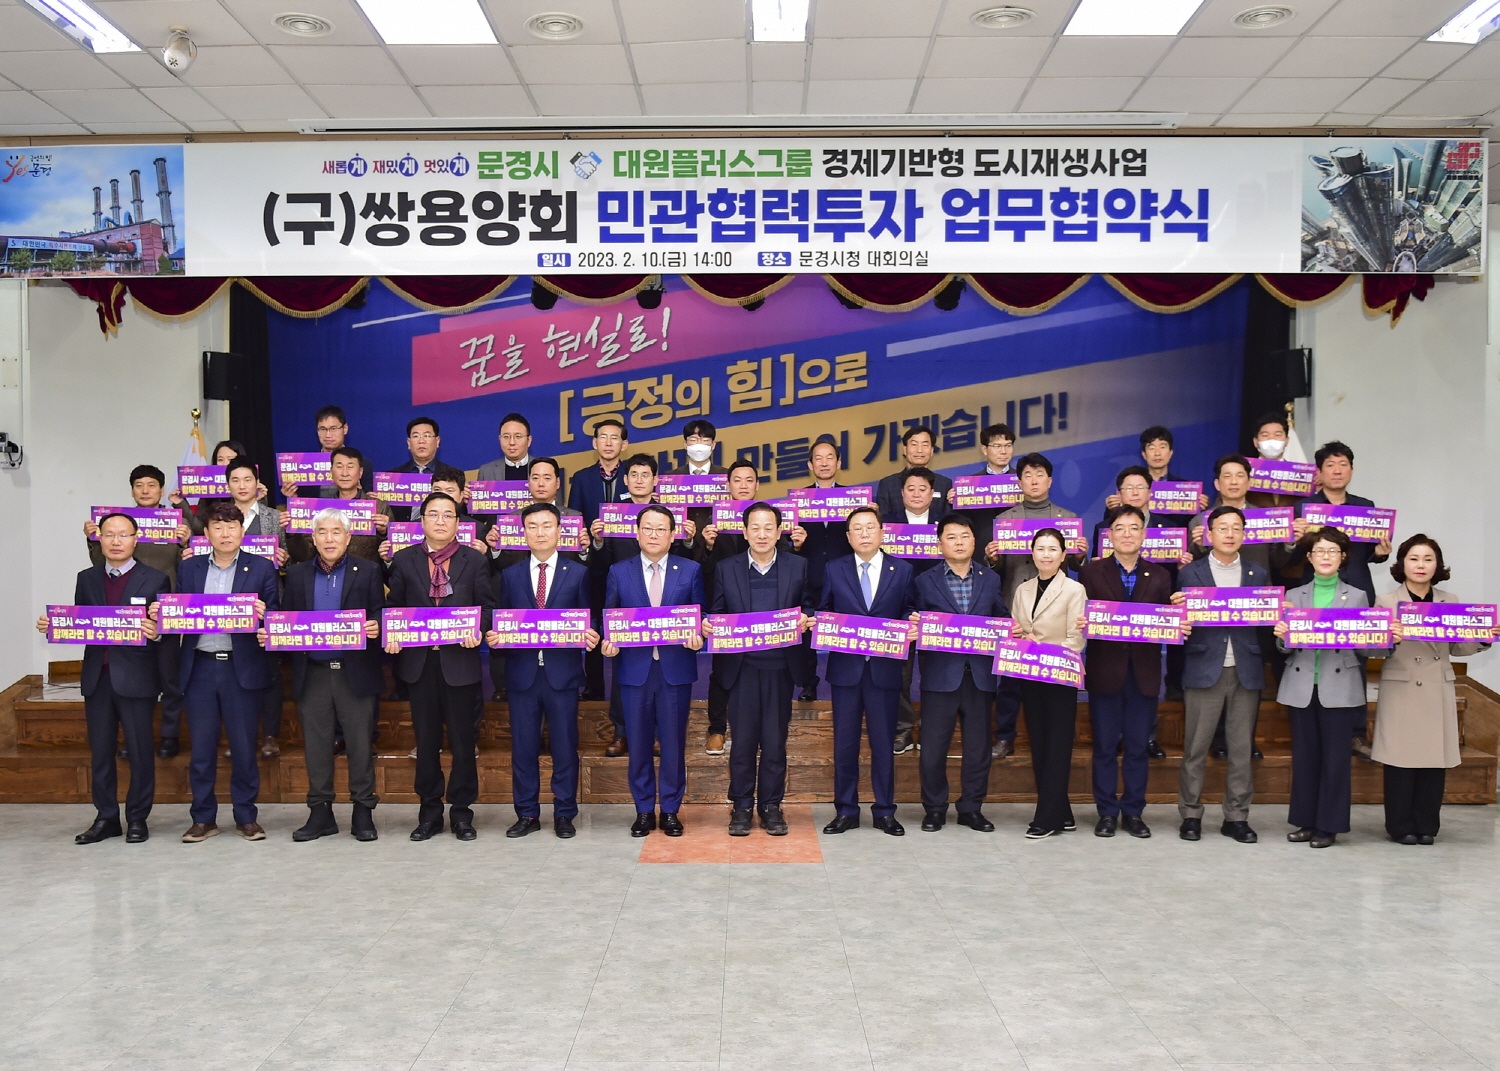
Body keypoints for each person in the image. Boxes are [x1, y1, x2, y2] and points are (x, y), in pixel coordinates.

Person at [40, 513, 169, 844]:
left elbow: (165, 632)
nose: (116, 541)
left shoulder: (156, 579)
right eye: (109, 534)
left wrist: (156, 632)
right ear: (99, 538)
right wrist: (55, 625)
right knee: (100, 753)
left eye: (123, 535)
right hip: (98, 678)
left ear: (135, 539)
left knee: (140, 752)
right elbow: (83, 623)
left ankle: (137, 818)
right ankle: (106, 817)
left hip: (136, 678)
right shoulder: (86, 578)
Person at [164, 500, 280, 843]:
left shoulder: (261, 568)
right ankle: (203, 818)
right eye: (218, 527)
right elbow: (177, 614)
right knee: (201, 749)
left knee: (244, 747)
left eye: (232, 527)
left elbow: (277, 616)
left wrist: (265, 614)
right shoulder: (190, 568)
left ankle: (246, 816)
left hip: (240, 668)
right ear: (207, 532)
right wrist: (163, 612)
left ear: (242, 531)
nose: (225, 533)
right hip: (199, 666)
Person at [385, 490, 497, 842]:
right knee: (426, 740)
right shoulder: (404, 560)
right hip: (419, 665)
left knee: (463, 742)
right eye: (433, 514)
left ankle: (462, 814)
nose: (440, 521)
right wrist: (392, 634)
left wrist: (477, 630)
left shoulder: (474, 560)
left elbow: (488, 607)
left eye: (448, 515)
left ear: (458, 523)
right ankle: (429, 813)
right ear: (422, 521)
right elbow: (394, 609)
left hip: (459, 663)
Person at [1373, 534, 1497, 845]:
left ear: (1437, 565)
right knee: (1400, 759)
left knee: (1433, 759)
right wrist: (1388, 639)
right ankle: (1400, 826)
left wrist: (1483, 638)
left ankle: (1427, 825)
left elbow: (1456, 645)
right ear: (1402, 563)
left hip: (1436, 684)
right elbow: (1372, 647)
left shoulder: (1449, 600)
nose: (1421, 565)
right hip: (1401, 686)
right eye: (1414, 558)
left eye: (1428, 559)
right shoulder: (1385, 601)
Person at [488, 501, 599, 840]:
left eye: (546, 525)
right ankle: (527, 813)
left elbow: (588, 617)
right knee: (523, 748)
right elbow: (502, 619)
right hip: (522, 675)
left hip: (562, 674)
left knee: (565, 746)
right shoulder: (510, 575)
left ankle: (564, 812)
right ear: (523, 532)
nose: (540, 532)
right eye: (532, 526)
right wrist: (496, 635)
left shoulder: (577, 573)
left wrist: (591, 632)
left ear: (559, 531)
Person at [273, 507, 384, 843]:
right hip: (314, 672)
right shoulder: (297, 574)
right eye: (322, 532)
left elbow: (380, 611)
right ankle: (320, 812)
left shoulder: (368, 570)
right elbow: (288, 619)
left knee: (360, 745)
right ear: (313, 539)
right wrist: (273, 631)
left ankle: (363, 811)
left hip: (355, 672)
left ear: (348, 538)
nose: (329, 538)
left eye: (336, 532)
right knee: (317, 745)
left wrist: (377, 625)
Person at [707, 501, 814, 837]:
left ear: (780, 531)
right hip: (741, 668)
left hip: (780, 667)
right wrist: (709, 624)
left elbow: (811, 605)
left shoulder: (799, 566)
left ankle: (771, 805)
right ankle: (741, 805)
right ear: (744, 532)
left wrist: (806, 618)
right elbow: (717, 612)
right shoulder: (726, 568)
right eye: (755, 527)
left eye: (769, 527)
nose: (762, 534)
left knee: (774, 741)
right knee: (742, 742)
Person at [602, 505, 706, 837]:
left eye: (661, 529)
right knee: (638, 742)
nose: (653, 535)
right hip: (635, 671)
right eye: (647, 528)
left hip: (675, 670)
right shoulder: (619, 571)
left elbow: (700, 617)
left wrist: (698, 636)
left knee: (673, 743)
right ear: (637, 533)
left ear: (673, 535)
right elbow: (610, 618)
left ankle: (671, 809)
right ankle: (644, 809)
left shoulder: (690, 570)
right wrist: (608, 641)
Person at [1171, 506, 1270, 845]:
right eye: (1222, 527)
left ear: (1244, 535)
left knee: (1241, 749)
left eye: (1236, 528)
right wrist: (1177, 612)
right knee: (1195, 748)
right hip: (1204, 667)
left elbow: (1265, 624)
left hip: (1245, 669)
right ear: (1209, 534)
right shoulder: (1190, 573)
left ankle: (1237, 816)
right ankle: (1191, 813)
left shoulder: (1258, 574)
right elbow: (1181, 623)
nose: (1229, 533)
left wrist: (1279, 612)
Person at [1078, 505, 1176, 839]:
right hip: (1105, 670)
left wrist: (1179, 619)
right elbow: (1084, 615)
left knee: (1137, 747)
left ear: (1143, 534)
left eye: (1134, 528)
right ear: (1110, 535)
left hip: (1144, 673)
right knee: (1105, 747)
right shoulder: (1092, 573)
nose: (1127, 534)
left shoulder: (1160, 576)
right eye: (1120, 528)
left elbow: (1166, 621)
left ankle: (1133, 812)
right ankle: (1106, 812)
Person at [1291, 441, 1392, 761]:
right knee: (1310, 657)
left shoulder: (1366, 507)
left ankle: (1356, 732)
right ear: (1319, 472)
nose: (1337, 471)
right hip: (1315, 592)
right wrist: (1294, 538)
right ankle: (1312, 723)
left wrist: (1381, 553)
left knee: (1356, 660)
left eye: (1343, 464)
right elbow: (1292, 557)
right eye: (1330, 465)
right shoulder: (1304, 508)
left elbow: (1368, 554)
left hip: (1356, 591)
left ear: (1351, 469)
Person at [84, 463, 190, 759]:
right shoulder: (120, 525)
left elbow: (186, 569)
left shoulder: (176, 523)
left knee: (169, 677)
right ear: (131, 491)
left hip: (163, 610)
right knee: (127, 678)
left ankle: (169, 735)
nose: (145, 490)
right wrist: (92, 538)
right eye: (139, 485)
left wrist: (186, 543)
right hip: (125, 615)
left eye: (151, 485)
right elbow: (101, 565)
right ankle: (130, 737)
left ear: (161, 490)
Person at [907, 513, 1004, 833]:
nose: (959, 542)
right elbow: (911, 615)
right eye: (951, 537)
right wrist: (912, 623)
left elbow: (1000, 616)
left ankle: (971, 808)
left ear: (974, 541)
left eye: (965, 536)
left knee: (978, 749)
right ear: (940, 544)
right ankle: (935, 808)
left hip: (980, 675)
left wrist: (1010, 628)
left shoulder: (991, 579)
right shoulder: (924, 581)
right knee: (933, 749)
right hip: (940, 676)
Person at [820, 506, 913, 837]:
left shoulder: (902, 570)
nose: (864, 533)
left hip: (884, 670)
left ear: (882, 532)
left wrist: (911, 622)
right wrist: (820, 621)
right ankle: (846, 810)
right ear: (848, 537)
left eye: (870, 527)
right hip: (846, 671)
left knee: (883, 744)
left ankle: (885, 811)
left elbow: (908, 609)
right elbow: (824, 609)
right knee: (844, 745)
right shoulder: (834, 569)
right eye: (857, 528)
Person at [1273, 527, 1369, 848]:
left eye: (1333, 551)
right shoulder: (1293, 596)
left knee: (1336, 760)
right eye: (1319, 551)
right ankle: (1306, 822)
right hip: (1302, 685)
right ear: (1309, 557)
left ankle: (1329, 825)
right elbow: (1284, 648)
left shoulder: (1357, 596)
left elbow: (1366, 647)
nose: (1326, 557)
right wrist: (1282, 635)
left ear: (1343, 557)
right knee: (1305, 758)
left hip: (1339, 685)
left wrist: (1370, 635)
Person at [986, 452, 1083, 762]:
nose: (1034, 480)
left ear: (1050, 481)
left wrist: (1080, 554)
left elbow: (1076, 565)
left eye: (1040, 474)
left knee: (1050, 683)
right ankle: (1005, 736)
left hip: (1054, 613)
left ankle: (1052, 740)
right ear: (1019, 482)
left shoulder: (1067, 519)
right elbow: (998, 570)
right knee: (1011, 679)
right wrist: (993, 558)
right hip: (1017, 604)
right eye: (1027, 475)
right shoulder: (1005, 520)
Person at [699, 459, 796, 757]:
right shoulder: (714, 521)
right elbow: (705, 570)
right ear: (728, 485)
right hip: (728, 607)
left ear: (757, 485)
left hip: (768, 616)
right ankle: (717, 728)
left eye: (749, 480)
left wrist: (796, 543)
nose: (743, 485)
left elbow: (787, 564)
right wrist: (708, 546)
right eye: (737, 480)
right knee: (723, 671)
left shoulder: (768, 518)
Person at [1010, 528, 1087, 840]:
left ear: (1063, 555)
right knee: (1040, 744)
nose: (1046, 554)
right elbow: (1016, 629)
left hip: (1059, 676)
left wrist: (1046, 655)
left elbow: (1075, 639)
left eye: (1052, 549)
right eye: (1040, 548)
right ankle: (1061, 811)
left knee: (1057, 746)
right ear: (1032, 553)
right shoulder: (1022, 589)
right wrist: (1019, 638)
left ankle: (1047, 818)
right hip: (1030, 675)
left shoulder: (1074, 590)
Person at [221, 457, 289, 760]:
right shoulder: (220, 516)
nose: (241, 485)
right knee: (233, 672)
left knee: (270, 670)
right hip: (227, 605)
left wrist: (284, 559)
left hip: (267, 599)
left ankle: (271, 734)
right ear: (227, 485)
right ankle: (237, 735)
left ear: (257, 482)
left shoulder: (273, 517)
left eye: (247, 479)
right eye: (235, 480)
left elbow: (286, 555)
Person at [882, 466, 949, 754]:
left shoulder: (945, 523)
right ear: (902, 493)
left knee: (937, 672)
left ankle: (932, 730)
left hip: (938, 606)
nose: (917, 494)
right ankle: (903, 729)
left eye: (923, 489)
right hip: (897, 606)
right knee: (900, 674)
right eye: (911, 489)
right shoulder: (887, 524)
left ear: (932, 493)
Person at [569, 418, 630, 704]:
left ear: (624, 444)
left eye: (614, 437)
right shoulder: (581, 478)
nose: (608, 442)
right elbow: (574, 518)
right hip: (592, 562)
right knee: (593, 623)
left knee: (625, 623)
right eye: (602, 437)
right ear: (594, 443)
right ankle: (593, 686)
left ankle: (625, 683)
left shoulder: (634, 475)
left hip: (627, 561)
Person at [791, 437, 852, 702]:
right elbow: (787, 543)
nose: (824, 463)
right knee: (806, 631)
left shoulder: (853, 499)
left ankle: (846, 681)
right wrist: (796, 544)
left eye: (830, 458)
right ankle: (809, 684)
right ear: (810, 464)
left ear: (839, 462)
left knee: (846, 629)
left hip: (845, 578)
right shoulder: (798, 500)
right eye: (818, 458)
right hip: (809, 575)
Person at [285, 446, 391, 564]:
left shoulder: (378, 508)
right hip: (327, 573)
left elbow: (393, 555)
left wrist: (384, 533)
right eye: (339, 467)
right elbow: (305, 555)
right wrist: (293, 533)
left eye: (350, 467)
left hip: (366, 573)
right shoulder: (321, 509)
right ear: (331, 472)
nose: (345, 473)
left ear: (360, 472)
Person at [478, 412, 565, 501]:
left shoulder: (546, 468)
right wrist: (469, 498)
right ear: (499, 439)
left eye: (518, 436)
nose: (512, 442)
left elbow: (558, 505)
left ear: (529, 440)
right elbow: (479, 506)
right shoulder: (487, 471)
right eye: (506, 437)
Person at [875, 425, 953, 517]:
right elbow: (883, 519)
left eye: (925, 445)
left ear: (932, 451)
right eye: (914, 444)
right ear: (905, 450)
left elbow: (950, 520)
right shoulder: (888, 484)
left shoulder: (944, 484)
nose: (919, 450)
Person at [280, 405, 350, 500]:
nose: (328, 435)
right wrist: (293, 497)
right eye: (323, 429)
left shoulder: (362, 464)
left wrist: (359, 492)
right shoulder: (303, 466)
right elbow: (302, 502)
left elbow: (366, 501)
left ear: (345, 429)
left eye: (333, 429)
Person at [386, 416, 447, 521]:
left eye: (427, 436)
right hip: (401, 530)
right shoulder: (392, 477)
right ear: (408, 443)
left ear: (437, 441)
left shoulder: (452, 475)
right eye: (416, 436)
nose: (421, 441)